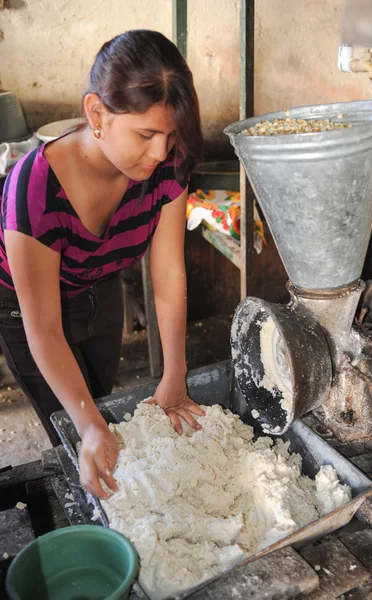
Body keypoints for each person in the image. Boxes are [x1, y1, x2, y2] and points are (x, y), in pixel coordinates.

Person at [0, 30, 205, 498]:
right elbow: (45, 330)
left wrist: (175, 372)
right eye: (146, 134)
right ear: (96, 113)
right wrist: (89, 425)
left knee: (104, 398)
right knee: (77, 429)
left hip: (101, 286)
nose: (160, 152)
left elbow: (168, 274)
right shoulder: (34, 189)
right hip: (29, 310)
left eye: (170, 135)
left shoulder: (169, 165)